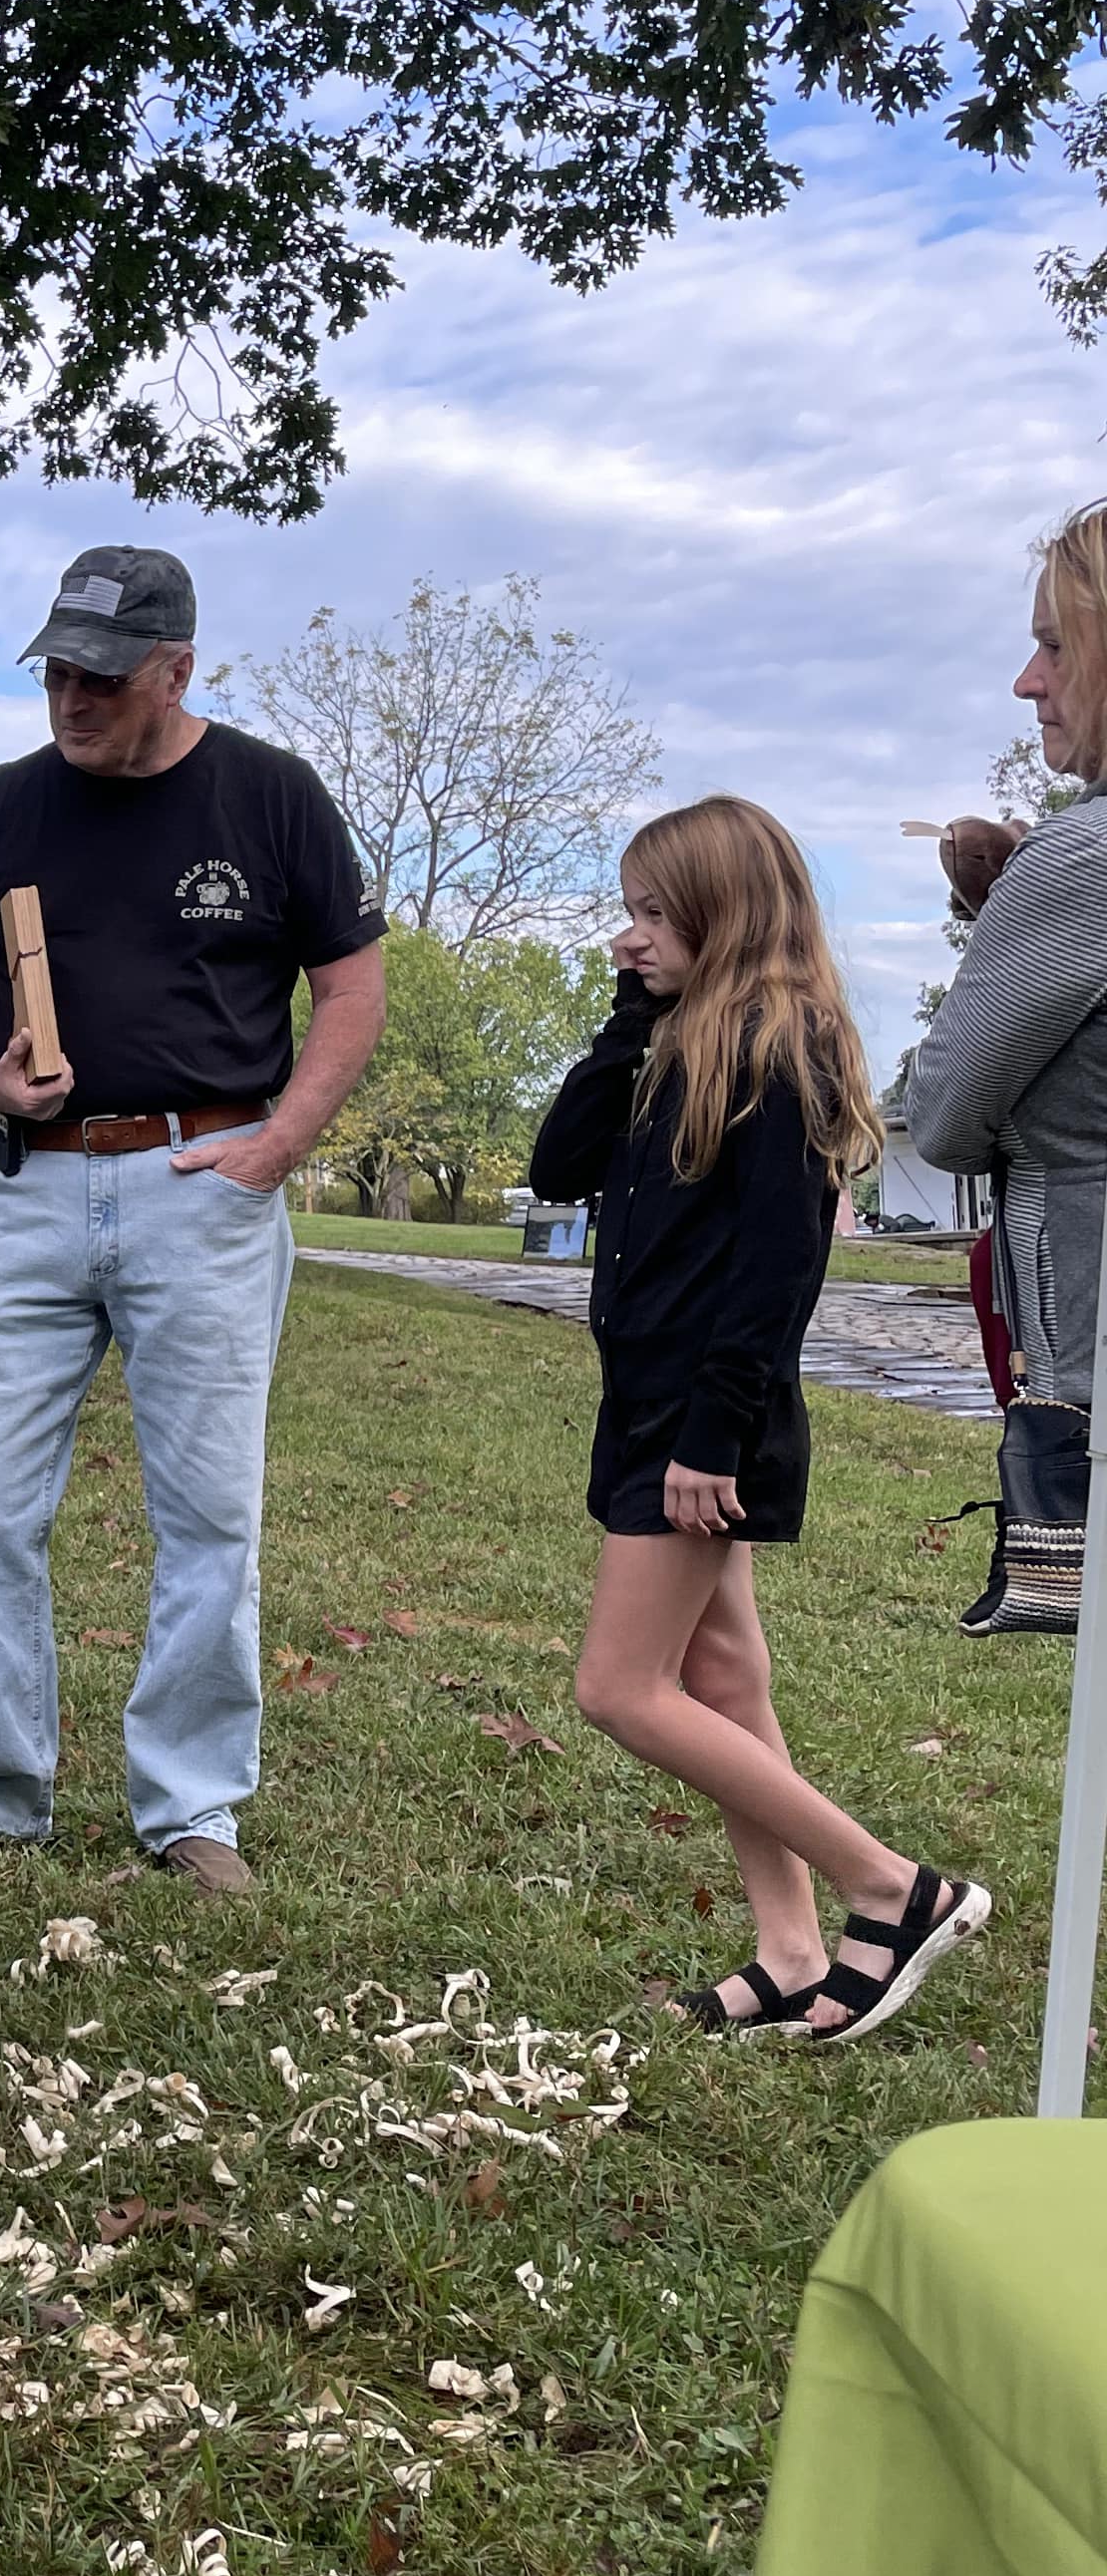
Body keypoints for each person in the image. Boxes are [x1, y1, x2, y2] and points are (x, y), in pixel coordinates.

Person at [0, 542, 387, 1890]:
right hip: (29, 1187)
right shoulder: (3, 807)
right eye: (58, 672)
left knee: (207, 1515)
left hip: (204, 1184)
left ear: (178, 669)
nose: (74, 699)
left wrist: (281, 1141)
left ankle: (190, 1811)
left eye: (104, 678)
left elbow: (351, 987)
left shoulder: (271, 798)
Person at [532, 798, 989, 2040]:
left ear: (722, 913)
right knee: (723, 1672)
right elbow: (557, 1164)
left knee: (622, 1689)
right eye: (626, 912)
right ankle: (791, 1952)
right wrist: (630, 1016)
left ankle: (894, 1889)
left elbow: (779, 1273)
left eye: (652, 913)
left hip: (702, 1422)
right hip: (648, 1406)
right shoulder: (671, 1037)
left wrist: (709, 1439)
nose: (630, 935)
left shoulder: (783, 1046)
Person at [907, 494, 1107, 1632]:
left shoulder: (1081, 860)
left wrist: (1007, 925)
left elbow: (940, 1118)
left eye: (1055, 644)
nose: (1027, 683)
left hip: (1088, 1354)